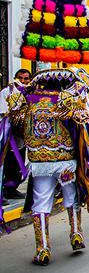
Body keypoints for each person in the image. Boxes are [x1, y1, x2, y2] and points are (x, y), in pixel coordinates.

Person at [0, 69, 31, 202]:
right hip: (9, 134)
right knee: (8, 161)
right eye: (21, 78)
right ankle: (6, 188)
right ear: (15, 78)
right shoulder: (7, 92)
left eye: (26, 78)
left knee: (19, 162)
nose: (23, 81)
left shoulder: (31, 93)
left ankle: (13, 188)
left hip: (22, 136)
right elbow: (3, 112)